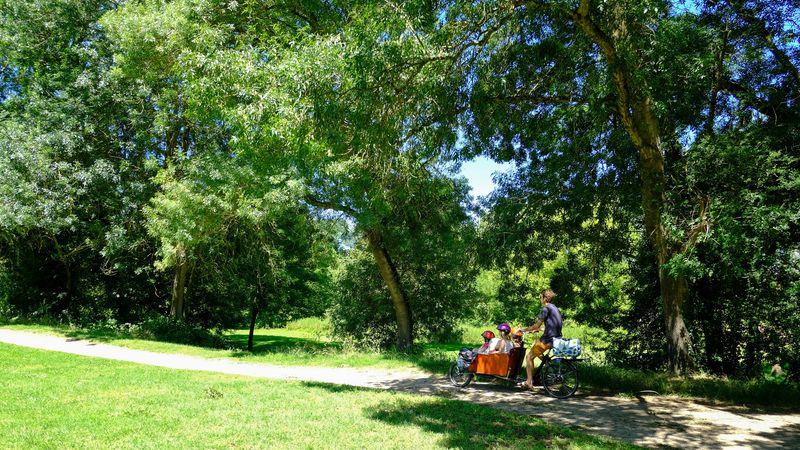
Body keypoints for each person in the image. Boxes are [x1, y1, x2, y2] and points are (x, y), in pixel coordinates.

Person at [519, 288, 562, 390]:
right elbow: (551, 326)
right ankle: (549, 366)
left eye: (540, 297)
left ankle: (529, 382)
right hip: (557, 339)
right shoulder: (555, 308)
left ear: (544, 298)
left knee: (529, 357)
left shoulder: (545, 309)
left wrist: (524, 330)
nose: (540, 299)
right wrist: (540, 329)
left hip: (547, 340)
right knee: (537, 349)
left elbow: (536, 325)